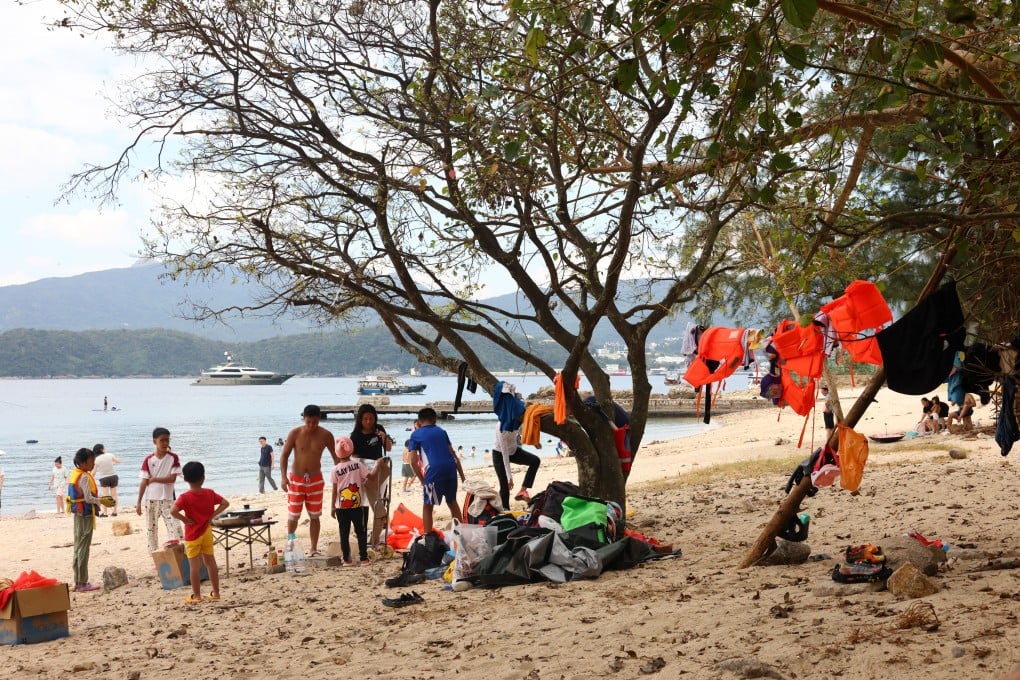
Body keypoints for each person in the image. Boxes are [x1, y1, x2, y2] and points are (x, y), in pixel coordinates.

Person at [280, 404, 338, 557]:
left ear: (319, 419)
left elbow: (336, 458)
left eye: (315, 422)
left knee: (315, 515)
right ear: (304, 418)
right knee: (293, 515)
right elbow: (284, 455)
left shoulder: (326, 435)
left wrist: (343, 476)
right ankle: (291, 543)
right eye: (308, 422)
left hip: (316, 479)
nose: (312, 425)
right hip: (296, 479)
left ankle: (313, 548)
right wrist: (283, 477)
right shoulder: (295, 433)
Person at [170, 461, 229, 604]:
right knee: (210, 562)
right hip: (207, 532)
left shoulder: (185, 497)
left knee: (194, 567)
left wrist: (185, 520)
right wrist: (213, 515)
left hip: (192, 535)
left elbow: (173, 511)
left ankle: (197, 595)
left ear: (185, 479)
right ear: (203, 477)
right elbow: (225, 503)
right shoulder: (209, 493)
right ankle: (216, 592)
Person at [408, 407, 465, 534]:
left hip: (434, 472)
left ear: (419, 422)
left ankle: (428, 537)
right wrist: (463, 476)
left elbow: (412, 461)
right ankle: (460, 534)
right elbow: (454, 456)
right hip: (451, 469)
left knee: (428, 506)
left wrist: (423, 481)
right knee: (452, 502)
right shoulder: (441, 431)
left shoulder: (415, 434)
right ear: (435, 419)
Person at [350, 403, 393, 547]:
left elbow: (388, 448)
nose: (369, 422)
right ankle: (362, 537)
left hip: (380, 470)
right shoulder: (355, 435)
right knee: (364, 506)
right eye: (365, 419)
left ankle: (375, 539)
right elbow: (354, 459)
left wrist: (384, 437)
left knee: (379, 503)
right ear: (360, 420)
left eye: (371, 419)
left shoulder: (379, 429)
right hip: (364, 473)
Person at [136, 427, 184, 554]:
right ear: (154, 441)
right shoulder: (148, 460)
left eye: (167, 440)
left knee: (175, 528)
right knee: (151, 531)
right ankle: (155, 557)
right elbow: (144, 482)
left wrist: (155, 479)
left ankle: (177, 554)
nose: (165, 443)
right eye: (162, 440)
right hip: (151, 500)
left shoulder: (173, 458)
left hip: (168, 500)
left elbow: (172, 479)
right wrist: (138, 502)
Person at [329, 435, 375, 566]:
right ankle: (364, 558)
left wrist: (333, 506)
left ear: (337, 453)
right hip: (357, 505)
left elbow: (334, 490)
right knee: (360, 531)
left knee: (344, 533)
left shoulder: (335, 469)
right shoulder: (358, 465)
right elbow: (370, 477)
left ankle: (347, 560)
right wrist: (378, 467)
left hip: (341, 507)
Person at [67, 447, 103, 592]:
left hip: (78, 515)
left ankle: (78, 581)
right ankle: (82, 583)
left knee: (78, 546)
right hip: (85, 515)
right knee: (83, 547)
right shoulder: (84, 477)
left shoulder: (75, 474)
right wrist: (103, 501)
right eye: (91, 461)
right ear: (82, 462)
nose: (93, 464)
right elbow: (88, 498)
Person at [492, 425, 541, 507]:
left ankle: (522, 490)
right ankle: (505, 509)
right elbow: (505, 454)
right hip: (499, 454)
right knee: (505, 486)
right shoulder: (501, 428)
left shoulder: (516, 421)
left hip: (514, 451)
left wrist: (534, 441)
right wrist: (509, 477)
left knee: (535, 461)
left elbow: (523, 432)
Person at [93, 444, 121, 517]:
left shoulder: (96, 459)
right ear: (101, 449)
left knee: (105, 496)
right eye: (104, 448)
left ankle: (105, 513)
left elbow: (94, 471)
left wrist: (90, 477)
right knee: (114, 495)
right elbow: (118, 461)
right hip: (113, 476)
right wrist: (117, 459)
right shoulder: (109, 455)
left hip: (104, 478)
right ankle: (114, 512)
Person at [401, 421, 419, 493]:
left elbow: (403, 458)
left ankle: (405, 488)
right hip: (408, 464)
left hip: (404, 464)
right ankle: (407, 486)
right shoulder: (409, 450)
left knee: (406, 477)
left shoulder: (404, 450)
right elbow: (409, 458)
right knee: (415, 475)